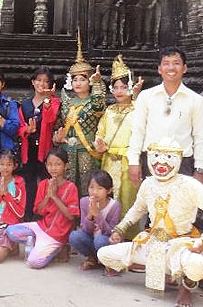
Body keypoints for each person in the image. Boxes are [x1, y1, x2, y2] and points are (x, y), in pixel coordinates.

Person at [97, 138, 203, 307]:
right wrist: (119, 230)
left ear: (179, 159)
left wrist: (201, 242)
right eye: (156, 156)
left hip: (181, 243)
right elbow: (137, 209)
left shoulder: (190, 185)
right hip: (153, 241)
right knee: (104, 254)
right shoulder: (148, 183)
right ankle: (167, 272)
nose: (161, 162)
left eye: (168, 157)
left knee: (199, 265)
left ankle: (185, 287)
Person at [128, 46, 203, 186]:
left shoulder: (196, 100)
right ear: (159, 69)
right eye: (166, 63)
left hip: (183, 163)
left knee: (181, 206)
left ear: (184, 68)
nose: (171, 67)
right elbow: (138, 131)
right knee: (154, 206)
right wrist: (133, 162)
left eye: (176, 63)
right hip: (152, 161)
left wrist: (200, 169)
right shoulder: (146, 96)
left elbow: (200, 136)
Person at [94, 55, 143, 238]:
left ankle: (128, 239)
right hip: (109, 161)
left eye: (124, 86)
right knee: (108, 199)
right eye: (115, 87)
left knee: (128, 200)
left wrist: (137, 97)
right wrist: (99, 143)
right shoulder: (109, 110)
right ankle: (105, 236)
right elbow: (101, 132)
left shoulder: (138, 108)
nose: (119, 91)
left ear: (131, 88)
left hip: (127, 161)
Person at [6, 148, 79, 269]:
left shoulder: (71, 187)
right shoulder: (44, 184)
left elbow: (71, 216)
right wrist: (48, 196)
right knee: (10, 231)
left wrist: (55, 197)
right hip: (42, 226)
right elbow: (38, 211)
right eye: (50, 164)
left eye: (57, 164)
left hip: (57, 234)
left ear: (66, 166)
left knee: (34, 262)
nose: (53, 168)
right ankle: (37, 242)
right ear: (45, 165)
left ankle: (59, 248)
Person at [53, 34, 106, 196]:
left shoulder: (94, 101)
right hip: (68, 148)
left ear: (88, 81)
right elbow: (59, 125)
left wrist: (97, 83)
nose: (77, 83)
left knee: (87, 186)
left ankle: (87, 217)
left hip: (88, 149)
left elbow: (99, 107)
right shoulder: (68, 101)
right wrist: (58, 138)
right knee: (68, 186)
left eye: (82, 79)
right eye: (75, 79)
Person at [18, 67, 60, 221]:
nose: (42, 84)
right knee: (29, 183)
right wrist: (26, 129)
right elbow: (19, 125)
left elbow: (50, 120)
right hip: (28, 148)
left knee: (45, 182)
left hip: (45, 149)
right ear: (33, 82)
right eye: (39, 80)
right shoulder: (25, 104)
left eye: (46, 81)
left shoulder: (54, 102)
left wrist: (48, 99)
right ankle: (28, 216)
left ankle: (44, 216)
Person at [69, 170, 121, 270]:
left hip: (106, 241)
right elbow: (85, 230)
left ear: (109, 190)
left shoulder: (114, 206)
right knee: (74, 236)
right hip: (91, 239)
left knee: (100, 240)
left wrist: (97, 214)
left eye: (100, 188)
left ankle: (109, 262)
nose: (95, 192)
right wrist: (90, 216)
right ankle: (93, 258)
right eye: (91, 187)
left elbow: (111, 232)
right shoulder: (84, 202)